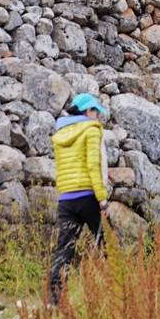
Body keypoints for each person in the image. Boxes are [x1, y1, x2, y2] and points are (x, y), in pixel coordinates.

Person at [48, 91, 108, 302]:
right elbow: (93, 165)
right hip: (88, 196)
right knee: (107, 244)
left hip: (66, 199)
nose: (98, 116)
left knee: (64, 250)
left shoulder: (61, 133)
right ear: (87, 111)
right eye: (96, 111)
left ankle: (54, 300)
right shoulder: (91, 130)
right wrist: (102, 197)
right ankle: (117, 293)